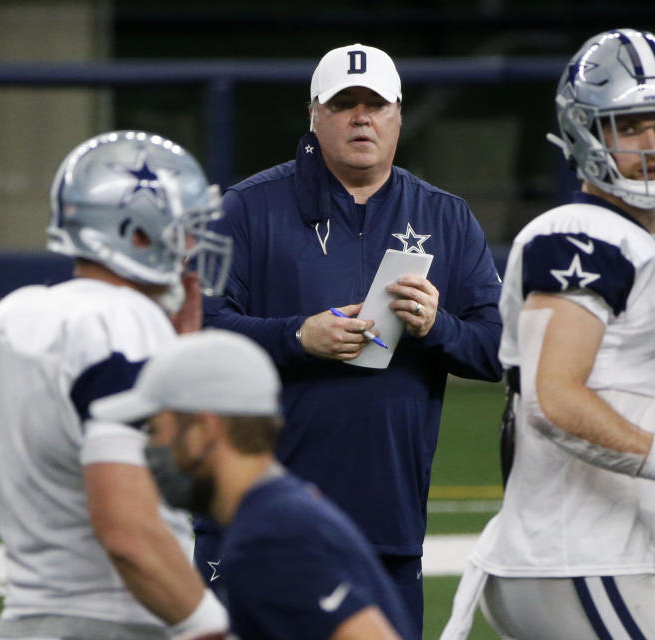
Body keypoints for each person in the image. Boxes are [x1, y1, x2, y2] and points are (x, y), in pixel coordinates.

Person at [441, 29, 655, 639]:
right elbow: (553, 400)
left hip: (581, 561)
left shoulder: (634, 241)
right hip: (576, 561)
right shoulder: (583, 235)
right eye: (630, 127)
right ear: (586, 133)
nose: (653, 145)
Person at [198, 42, 504, 632]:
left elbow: (496, 351)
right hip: (252, 518)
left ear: (398, 116)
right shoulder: (246, 208)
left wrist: (435, 326)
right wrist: (297, 337)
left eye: (375, 104)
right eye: (344, 103)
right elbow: (197, 330)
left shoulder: (446, 217)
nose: (361, 117)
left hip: (387, 523)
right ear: (314, 113)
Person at [0, 130, 233, 640]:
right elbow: (129, 529)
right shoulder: (121, 323)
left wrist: (173, 357)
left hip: (27, 617)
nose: (194, 245)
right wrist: (209, 626)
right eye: (184, 228)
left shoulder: (11, 318)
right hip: (120, 620)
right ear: (137, 233)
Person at [90, 329, 418, 639]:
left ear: (203, 430)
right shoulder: (277, 517)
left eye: (154, 429)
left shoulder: (270, 539)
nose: (149, 449)